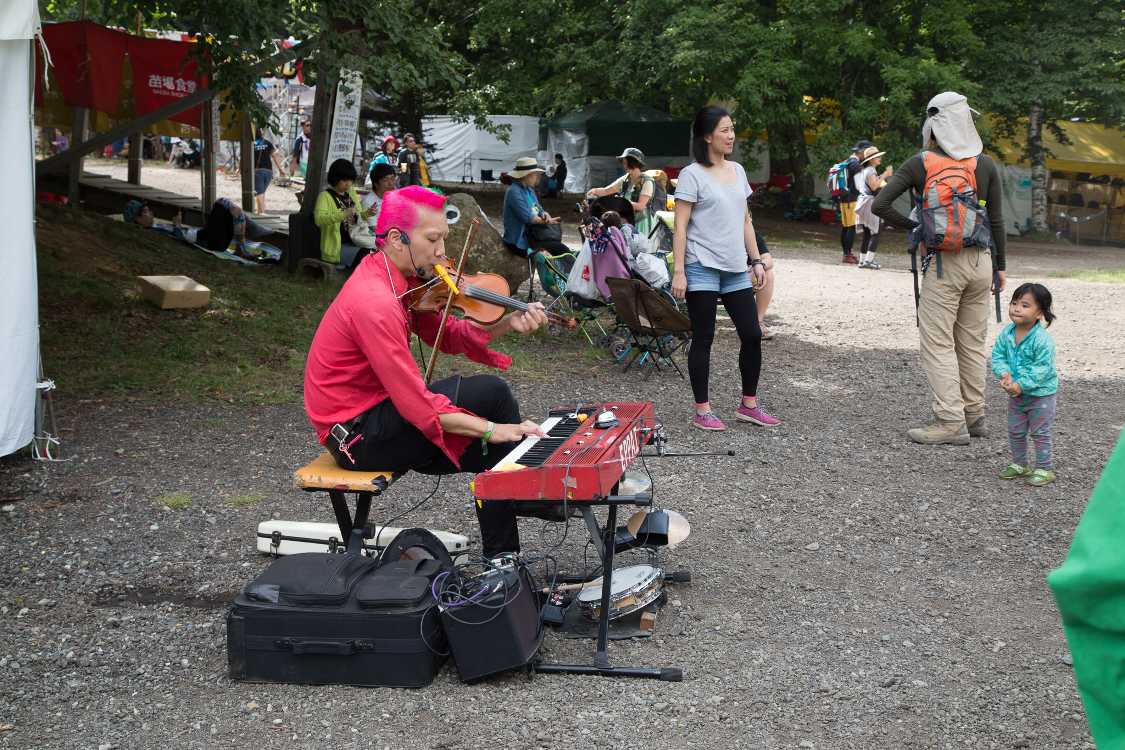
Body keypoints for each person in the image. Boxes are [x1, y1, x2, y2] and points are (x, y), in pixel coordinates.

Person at [303, 186, 550, 557]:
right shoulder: (376, 302)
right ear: (396, 240)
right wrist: (493, 429)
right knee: (494, 428)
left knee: (493, 411)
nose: (442, 253)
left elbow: (448, 334)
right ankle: (511, 519)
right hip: (356, 438)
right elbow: (417, 405)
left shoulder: (397, 279)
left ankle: (508, 516)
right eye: (432, 240)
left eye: (444, 239)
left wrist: (507, 322)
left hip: (377, 414)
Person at [873, 91, 1006, 445]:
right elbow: (996, 219)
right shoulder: (985, 164)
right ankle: (975, 415)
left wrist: (917, 228)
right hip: (982, 261)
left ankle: (949, 421)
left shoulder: (921, 162)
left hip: (944, 263)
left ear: (931, 124)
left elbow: (880, 205)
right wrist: (1001, 268)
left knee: (937, 342)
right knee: (972, 342)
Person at [670, 105, 780, 432]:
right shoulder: (692, 175)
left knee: (751, 333)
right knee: (704, 337)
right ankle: (702, 410)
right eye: (724, 130)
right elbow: (680, 228)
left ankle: (749, 405)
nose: (731, 136)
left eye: (732, 129)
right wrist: (680, 271)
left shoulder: (738, 171)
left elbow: (745, 220)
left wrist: (756, 259)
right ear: (707, 135)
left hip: (735, 268)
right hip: (701, 267)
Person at [991, 283, 1058, 487]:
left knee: (1040, 431)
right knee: (1016, 430)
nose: (1017, 308)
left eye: (1025, 305)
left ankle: (1044, 468)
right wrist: (1004, 374)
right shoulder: (1007, 334)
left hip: (1041, 395)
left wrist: (1021, 385)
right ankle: (1020, 464)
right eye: (1014, 303)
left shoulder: (1042, 340)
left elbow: (1042, 369)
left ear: (1040, 312)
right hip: (1016, 394)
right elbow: (998, 356)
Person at [123, 198, 272, 256]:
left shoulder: (154, 227)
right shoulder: (152, 233)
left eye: (148, 209)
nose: (150, 212)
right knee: (222, 204)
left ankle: (249, 233)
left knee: (224, 206)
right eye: (145, 212)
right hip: (207, 242)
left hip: (204, 236)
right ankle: (244, 245)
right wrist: (177, 225)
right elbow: (177, 241)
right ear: (137, 220)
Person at [501, 157, 569, 259]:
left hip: (533, 236)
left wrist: (544, 214)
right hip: (519, 241)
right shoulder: (513, 191)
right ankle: (568, 274)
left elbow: (538, 209)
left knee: (560, 249)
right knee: (559, 252)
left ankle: (562, 274)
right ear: (526, 175)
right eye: (535, 174)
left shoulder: (529, 190)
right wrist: (547, 221)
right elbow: (529, 218)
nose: (538, 177)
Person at [314, 158, 375, 271]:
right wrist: (343, 214)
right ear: (335, 178)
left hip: (357, 240)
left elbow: (358, 217)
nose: (348, 184)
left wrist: (367, 214)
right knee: (368, 254)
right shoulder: (325, 196)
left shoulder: (350, 194)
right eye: (344, 180)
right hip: (337, 247)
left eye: (350, 180)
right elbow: (319, 220)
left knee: (379, 251)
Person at [586, 147, 657, 239]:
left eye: (625, 162)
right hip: (626, 221)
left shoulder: (647, 182)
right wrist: (594, 191)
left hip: (641, 222)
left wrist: (620, 201)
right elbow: (606, 191)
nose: (624, 165)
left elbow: (640, 206)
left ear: (633, 162)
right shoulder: (625, 179)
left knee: (639, 249)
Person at [853, 146, 892, 269]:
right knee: (876, 231)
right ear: (871, 159)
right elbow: (874, 187)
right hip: (869, 203)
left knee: (867, 234)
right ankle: (868, 261)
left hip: (864, 202)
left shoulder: (867, 170)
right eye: (877, 157)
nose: (880, 158)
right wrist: (885, 175)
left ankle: (862, 261)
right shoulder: (871, 170)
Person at [837, 139, 872, 264]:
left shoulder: (848, 161)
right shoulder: (856, 165)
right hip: (852, 199)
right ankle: (847, 254)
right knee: (851, 227)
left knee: (846, 227)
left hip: (844, 199)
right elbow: (859, 185)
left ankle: (846, 253)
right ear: (862, 152)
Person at [252, 128, 284, 214]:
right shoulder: (268, 143)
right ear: (262, 133)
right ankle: (259, 213)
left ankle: (262, 213)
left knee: (259, 193)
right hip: (269, 172)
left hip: (257, 171)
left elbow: (245, 157)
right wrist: (280, 169)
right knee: (261, 192)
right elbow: (274, 156)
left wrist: (239, 169)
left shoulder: (252, 144)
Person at [361, 162, 398, 231]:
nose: (391, 183)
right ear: (376, 184)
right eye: (385, 180)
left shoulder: (395, 197)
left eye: (392, 179)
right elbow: (375, 229)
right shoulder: (369, 202)